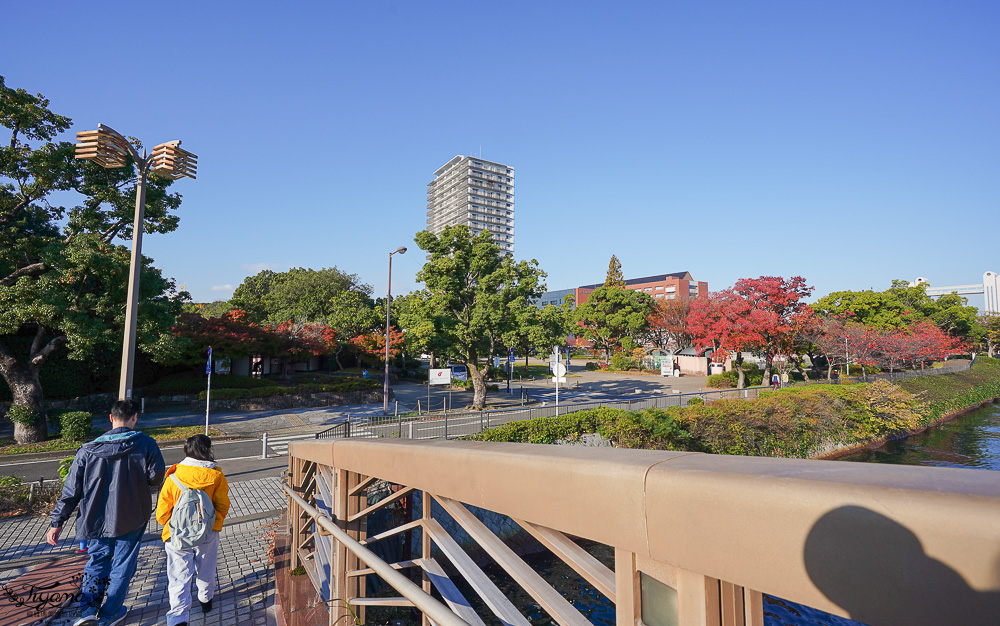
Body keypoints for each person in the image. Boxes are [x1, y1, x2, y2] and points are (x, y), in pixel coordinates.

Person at [47, 400, 165, 626]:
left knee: (96, 561)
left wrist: (57, 522)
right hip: (133, 515)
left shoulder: (87, 450)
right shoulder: (146, 444)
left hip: (95, 517)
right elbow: (156, 475)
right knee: (123, 563)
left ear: (111, 418)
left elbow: (72, 490)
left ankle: (87, 611)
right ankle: (111, 613)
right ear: (135, 417)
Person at [156, 435, 230, 626]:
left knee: (179, 575)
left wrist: (170, 524)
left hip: (176, 535)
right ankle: (206, 601)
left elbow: (162, 513)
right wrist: (214, 523)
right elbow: (222, 505)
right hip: (207, 531)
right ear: (208, 450)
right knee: (206, 568)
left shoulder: (173, 476)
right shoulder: (216, 476)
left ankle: (179, 617)